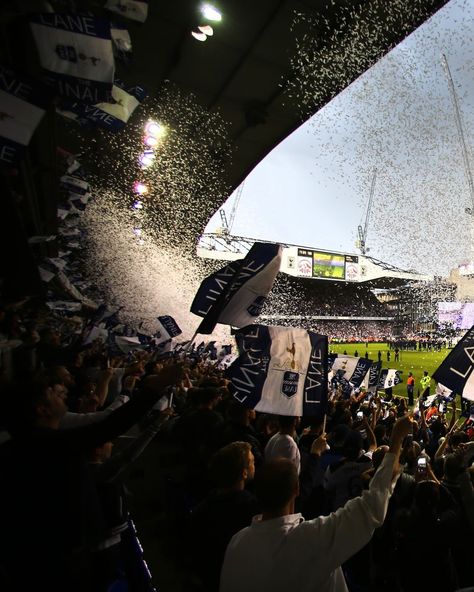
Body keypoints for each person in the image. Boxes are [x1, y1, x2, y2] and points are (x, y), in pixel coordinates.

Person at [220, 416, 413, 592]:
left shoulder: (237, 542)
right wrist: (396, 440)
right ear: (296, 490)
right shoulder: (309, 540)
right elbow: (372, 508)